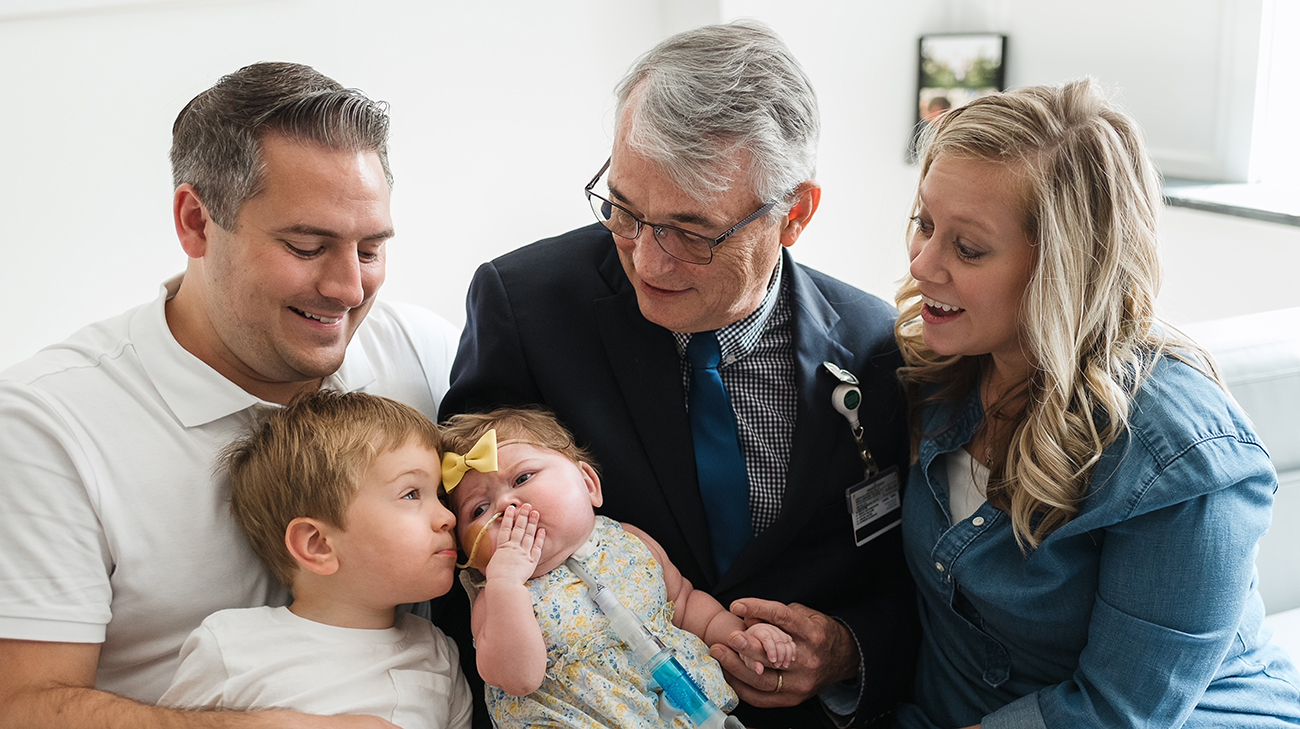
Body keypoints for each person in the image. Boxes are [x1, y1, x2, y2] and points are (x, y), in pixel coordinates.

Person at [439, 20, 916, 727]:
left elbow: (914, 577)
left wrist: (848, 652)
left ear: (795, 214)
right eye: (626, 211)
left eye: (692, 234)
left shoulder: (878, 347)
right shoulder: (526, 307)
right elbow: (452, 547)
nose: (648, 261)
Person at [0, 62, 459, 728]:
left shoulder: (421, 355)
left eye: (370, 249)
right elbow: (21, 706)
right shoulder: (46, 426)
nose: (349, 289)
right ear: (195, 222)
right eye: (308, 245)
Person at [892, 78, 1300, 728]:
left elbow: (1114, 711)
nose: (922, 264)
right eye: (925, 224)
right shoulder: (935, 374)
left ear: (1065, 266)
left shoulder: (1184, 460)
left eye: (967, 247)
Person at [440, 407, 794, 728]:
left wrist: (739, 636)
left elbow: (685, 605)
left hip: (692, 713)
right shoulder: (496, 597)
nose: (506, 505)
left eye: (522, 479)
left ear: (589, 485)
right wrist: (506, 581)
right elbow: (518, 678)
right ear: (467, 551)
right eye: (479, 510)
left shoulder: (627, 541)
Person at [161, 391, 472, 726]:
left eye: (440, 496)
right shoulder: (230, 648)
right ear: (318, 544)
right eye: (411, 494)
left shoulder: (439, 653)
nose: (448, 517)